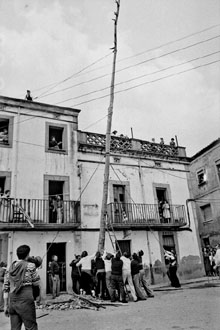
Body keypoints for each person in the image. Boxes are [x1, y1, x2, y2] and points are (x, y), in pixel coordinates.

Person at [3, 244, 40, 330]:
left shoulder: (9, 268)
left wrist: (5, 306)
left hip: (12, 301)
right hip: (26, 300)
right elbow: (36, 283)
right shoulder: (30, 266)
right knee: (31, 327)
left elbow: (6, 288)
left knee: (15, 328)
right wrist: (37, 296)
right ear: (27, 254)